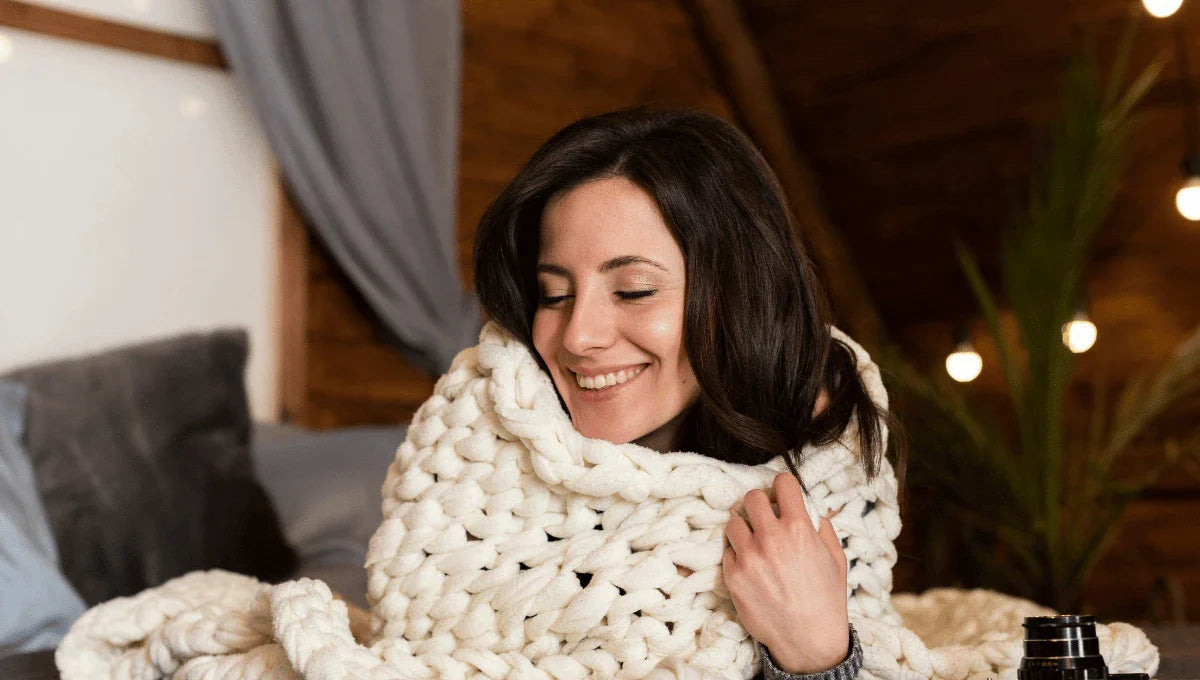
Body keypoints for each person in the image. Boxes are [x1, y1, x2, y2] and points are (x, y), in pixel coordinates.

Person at [473, 106, 900, 679]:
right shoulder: (473, 453)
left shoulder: (826, 469)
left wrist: (819, 658)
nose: (578, 336)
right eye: (553, 295)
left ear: (738, 298)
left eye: (633, 290)